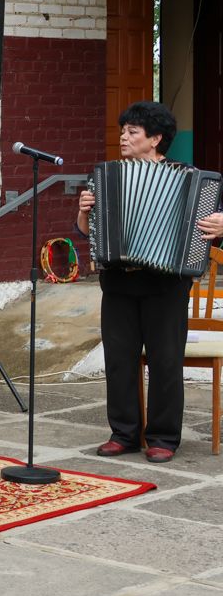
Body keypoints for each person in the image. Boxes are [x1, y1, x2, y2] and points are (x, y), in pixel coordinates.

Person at [76, 101, 223, 463]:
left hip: (166, 284)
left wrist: (222, 223)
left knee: (165, 361)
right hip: (119, 282)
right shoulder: (108, 177)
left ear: (155, 139)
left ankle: (163, 437)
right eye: (123, 131)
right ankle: (123, 434)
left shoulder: (190, 178)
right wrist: (83, 211)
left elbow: (214, 224)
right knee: (119, 360)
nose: (123, 137)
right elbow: (89, 233)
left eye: (133, 131)